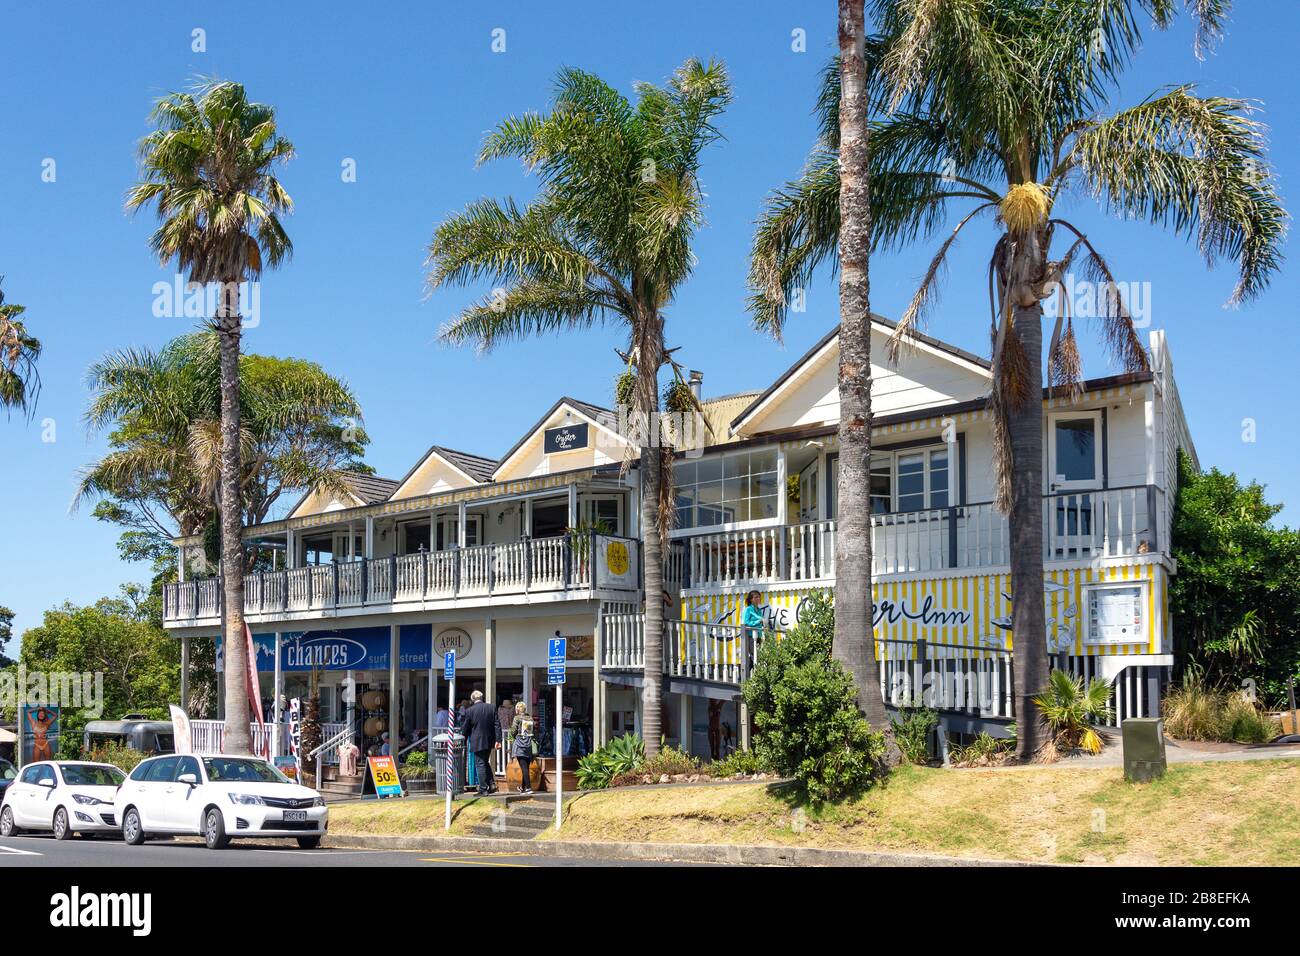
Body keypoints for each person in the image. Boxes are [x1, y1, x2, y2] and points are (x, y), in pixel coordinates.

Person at [459, 690, 500, 795]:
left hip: (477, 741)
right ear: (482, 698)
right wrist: (498, 740)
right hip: (489, 740)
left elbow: (465, 728)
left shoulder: (470, 711)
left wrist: (463, 738)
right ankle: (491, 785)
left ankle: (483, 789)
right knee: (485, 762)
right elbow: (497, 725)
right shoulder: (491, 707)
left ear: (472, 699)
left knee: (480, 764)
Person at [509, 701, 537, 794]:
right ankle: (523, 787)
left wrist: (512, 734)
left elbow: (513, 731)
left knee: (524, 767)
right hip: (528, 744)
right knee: (526, 766)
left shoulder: (517, 718)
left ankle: (528, 788)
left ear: (517, 709)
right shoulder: (530, 718)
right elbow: (534, 730)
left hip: (520, 744)